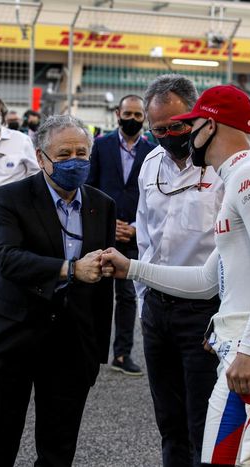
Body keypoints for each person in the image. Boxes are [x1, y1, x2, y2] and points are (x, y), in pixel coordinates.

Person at [102, 85, 250, 466]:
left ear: (210, 124)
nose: (181, 134)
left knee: (231, 458)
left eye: (191, 123)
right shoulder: (242, 176)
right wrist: (131, 267)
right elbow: (206, 280)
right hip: (244, 345)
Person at [0, 115, 116, 467]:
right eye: (64, 154)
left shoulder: (101, 205)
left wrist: (96, 350)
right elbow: (7, 259)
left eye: (81, 152)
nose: (74, 161)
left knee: (58, 451)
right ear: (41, 158)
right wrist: (70, 268)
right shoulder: (9, 198)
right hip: (11, 336)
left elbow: (103, 282)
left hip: (72, 344)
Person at [134, 75, 223, 466]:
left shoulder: (223, 167)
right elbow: (146, 241)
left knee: (205, 424)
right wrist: (143, 306)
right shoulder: (151, 163)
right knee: (169, 424)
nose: (169, 135)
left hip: (205, 314)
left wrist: (227, 320)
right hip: (157, 311)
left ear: (197, 115)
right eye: (158, 129)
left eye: (177, 125)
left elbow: (243, 252)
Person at [87, 94, 154, 376]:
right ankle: (88, 350)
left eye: (138, 115)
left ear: (144, 118)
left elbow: (154, 196)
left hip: (134, 235)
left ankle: (122, 354)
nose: (132, 120)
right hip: (103, 231)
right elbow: (89, 187)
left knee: (127, 296)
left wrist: (137, 227)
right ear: (117, 113)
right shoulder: (100, 146)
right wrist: (106, 222)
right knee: (92, 291)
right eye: (128, 114)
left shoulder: (152, 151)